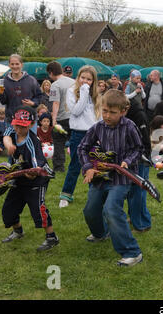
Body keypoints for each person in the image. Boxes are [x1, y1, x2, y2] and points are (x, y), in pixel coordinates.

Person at [78, 89, 144, 267]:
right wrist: (88, 167)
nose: (107, 116)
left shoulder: (130, 127)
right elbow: (82, 148)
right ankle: (101, 233)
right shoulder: (98, 127)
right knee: (90, 210)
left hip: (121, 178)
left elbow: (138, 149)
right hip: (100, 176)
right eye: (104, 111)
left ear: (123, 111)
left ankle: (132, 252)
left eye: (112, 112)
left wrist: (127, 161)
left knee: (111, 210)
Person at [1, 106, 59, 251]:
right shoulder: (13, 131)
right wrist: (9, 145)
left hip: (36, 178)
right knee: (9, 209)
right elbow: (6, 135)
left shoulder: (32, 144)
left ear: (31, 125)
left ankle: (51, 237)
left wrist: (28, 173)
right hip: (19, 177)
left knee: (38, 208)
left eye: (22, 126)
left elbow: (36, 170)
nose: (18, 129)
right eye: (16, 125)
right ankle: (18, 231)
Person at [59, 66, 102, 208]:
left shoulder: (96, 94)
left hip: (94, 133)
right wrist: (83, 91)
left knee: (95, 164)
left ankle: (94, 195)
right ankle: (66, 194)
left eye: (89, 79)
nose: (85, 81)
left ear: (93, 81)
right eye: (83, 78)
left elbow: (99, 115)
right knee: (75, 164)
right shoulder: (72, 91)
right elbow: (76, 111)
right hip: (78, 133)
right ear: (78, 78)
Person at [125, 90, 153, 233]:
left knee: (139, 190)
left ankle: (143, 223)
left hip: (141, 158)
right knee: (132, 190)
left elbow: (145, 140)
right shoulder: (129, 115)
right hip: (132, 157)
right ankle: (134, 216)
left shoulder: (139, 116)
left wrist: (144, 156)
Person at [0, 54, 43, 129]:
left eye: (17, 64)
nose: (15, 66)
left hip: (29, 120)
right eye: (12, 64)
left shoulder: (31, 80)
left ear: (22, 65)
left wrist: (33, 103)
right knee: (11, 141)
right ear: (9, 65)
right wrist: (0, 94)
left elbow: (39, 96)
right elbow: (3, 101)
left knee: (30, 141)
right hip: (11, 120)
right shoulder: (5, 81)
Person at [46, 61, 75, 172]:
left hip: (62, 118)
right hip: (74, 117)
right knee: (76, 143)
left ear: (51, 72)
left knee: (58, 142)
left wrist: (53, 119)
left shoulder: (55, 85)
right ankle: (78, 165)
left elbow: (56, 103)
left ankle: (59, 168)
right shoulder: (74, 82)